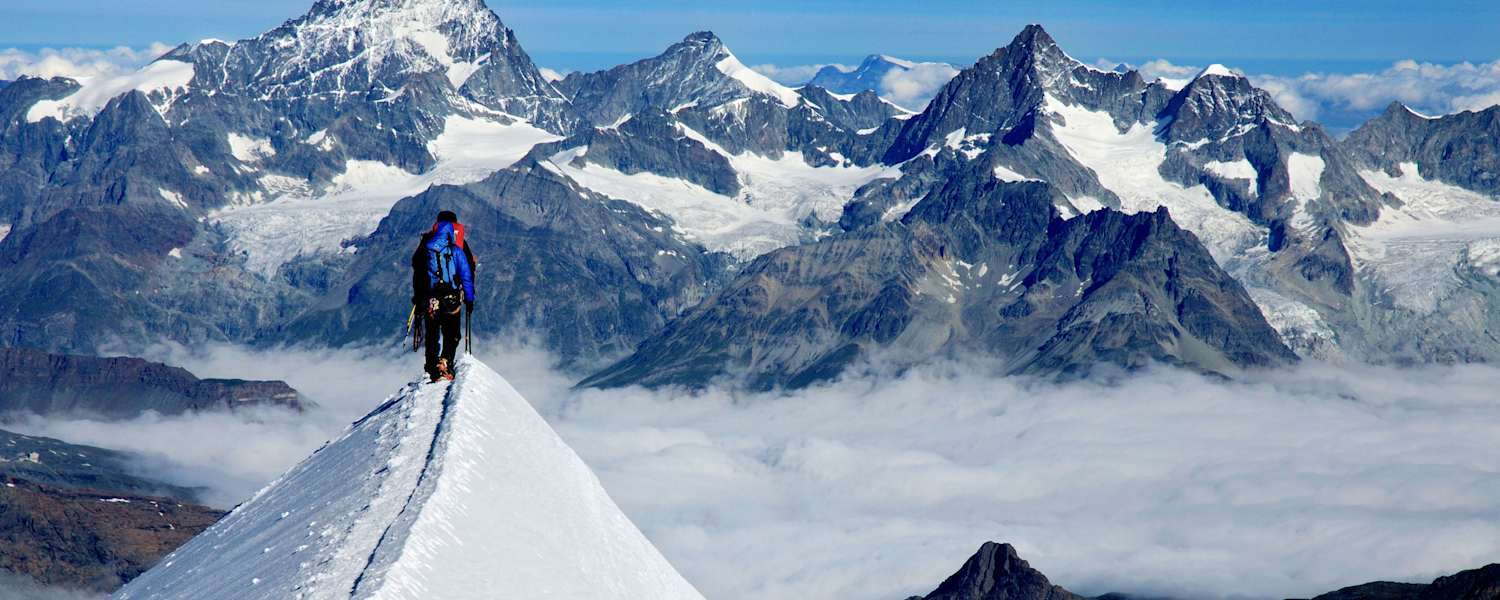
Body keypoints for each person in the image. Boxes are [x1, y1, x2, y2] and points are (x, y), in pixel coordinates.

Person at [411, 210, 477, 382]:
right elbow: (467, 274)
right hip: (452, 299)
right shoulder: (457, 248)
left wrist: (418, 298)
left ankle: (432, 366)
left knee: (432, 333)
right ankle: (445, 362)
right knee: (452, 333)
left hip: (430, 299)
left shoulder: (426, 246)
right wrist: (469, 299)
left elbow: (417, 271)